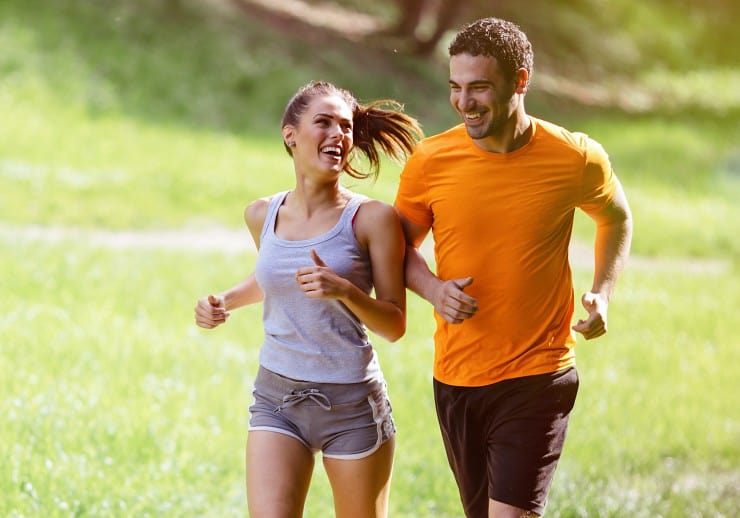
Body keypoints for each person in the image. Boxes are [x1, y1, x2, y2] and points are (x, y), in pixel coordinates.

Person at [393, 17, 633, 518]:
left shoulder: (574, 157)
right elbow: (395, 251)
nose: (464, 102)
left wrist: (603, 292)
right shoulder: (430, 161)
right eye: (456, 88)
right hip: (457, 376)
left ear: (520, 81)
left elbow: (615, 217)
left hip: (539, 372)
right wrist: (434, 290)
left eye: (479, 87)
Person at [194, 80, 422, 518]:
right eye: (324, 123)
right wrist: (225, 300)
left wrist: (345, 290)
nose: (339, 134)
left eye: (346, 127)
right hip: (277, 398)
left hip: (351, 405)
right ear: (290, 133)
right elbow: (276, 279)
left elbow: (394, 325)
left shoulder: (372, 218)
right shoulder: (262, 214)